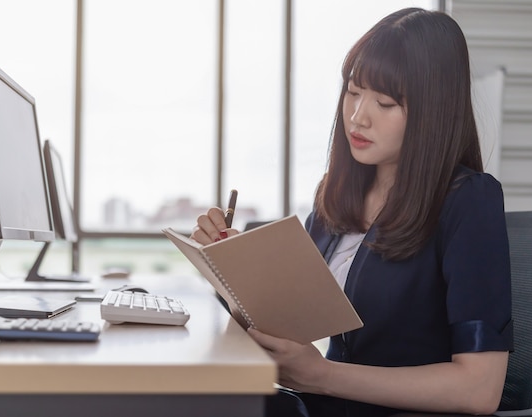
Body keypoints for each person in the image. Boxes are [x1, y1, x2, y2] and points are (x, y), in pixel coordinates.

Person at [190, 7, 512, 417]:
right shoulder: (337, 195)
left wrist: (322, 375)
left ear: (434, 110)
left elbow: (479, 389)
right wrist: (234, 271)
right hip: (316, 405)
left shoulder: (468, 201)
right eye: (353, 92)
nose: (358, 117)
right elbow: (288, 329)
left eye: (385, 102)